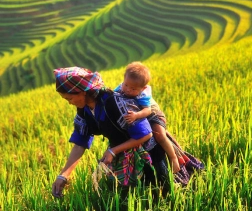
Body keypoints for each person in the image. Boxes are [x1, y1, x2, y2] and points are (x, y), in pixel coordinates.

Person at [51, 66, 204, 198]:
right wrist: (64, 175)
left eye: (69, 98)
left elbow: (145, 134)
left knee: (164, 191)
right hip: (123, 151)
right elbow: (80, 143)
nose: (70, 103)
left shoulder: (116, 103)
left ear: (82, 92)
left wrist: (113, 150)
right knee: (131, 195)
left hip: (149, 151)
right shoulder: (83, 111)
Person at [114, 61, 180, 173]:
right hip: (141, 117)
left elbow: (147, 110)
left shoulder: (143, 95)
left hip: (153, 115)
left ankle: (173, 158)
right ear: (124, 79)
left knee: (160, 135)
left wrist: (136, 116)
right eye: (126, 85)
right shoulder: (122, 86)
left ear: (143, 88)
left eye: (133, 89)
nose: (128, 90)